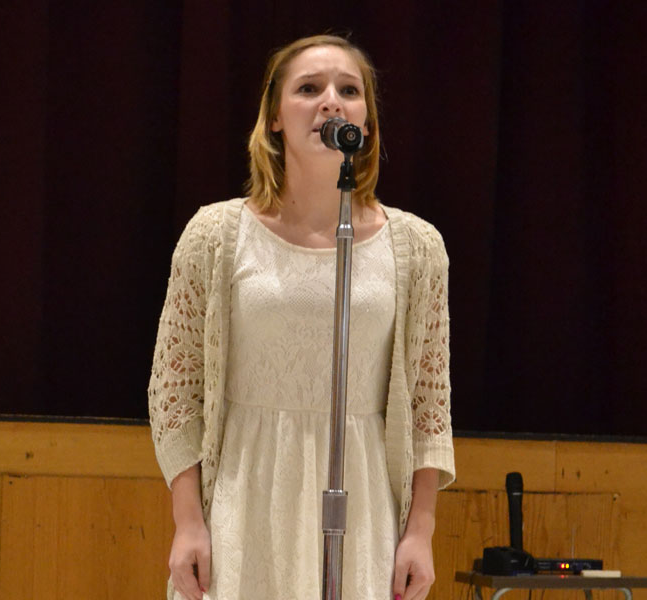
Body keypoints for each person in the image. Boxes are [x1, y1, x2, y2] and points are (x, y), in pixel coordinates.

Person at [148, 34, 455, 600]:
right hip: (246, 490)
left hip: (362, 499)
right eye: (309, 89)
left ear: (366, 120)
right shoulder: (215, 236)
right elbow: (176, 387)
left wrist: (421, 530)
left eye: (349, 91)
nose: (331, 102)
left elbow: (429, 408)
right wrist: (188, 521)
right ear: (273, 119)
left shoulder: (417, 248)